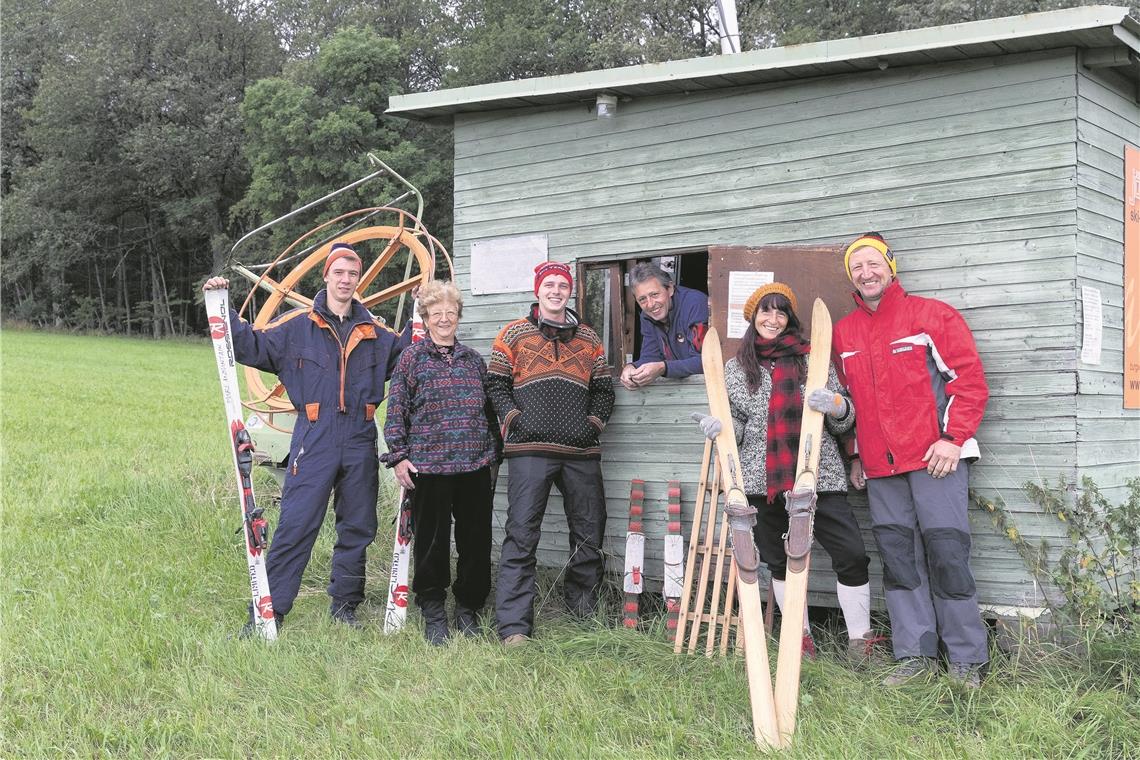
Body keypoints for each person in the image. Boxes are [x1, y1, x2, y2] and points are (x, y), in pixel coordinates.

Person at [203, 242, 410, 634]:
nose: (346, 280)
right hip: (314, 437)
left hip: (361, 438)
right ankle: (269, 614)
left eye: (352, 274)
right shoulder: (296, 327)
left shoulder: (377, 333)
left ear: (358, 279)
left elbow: (408, 357)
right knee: (296, 526)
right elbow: (250, 343)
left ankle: (345, 607)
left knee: (358, 526)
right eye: (339, 272)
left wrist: (419, 314)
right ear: (326, 276)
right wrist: (221, 305)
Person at [834, 232, 990, 688]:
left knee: (947, 555)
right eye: (856, 267)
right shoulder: (845, 333)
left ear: (890, 265)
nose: (866, 273)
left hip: (935, 460)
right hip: (882, 470)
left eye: (873, 263)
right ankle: (914, 657)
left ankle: (966, 659)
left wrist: (952, 439)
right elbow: (851, 402)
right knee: (899, 561)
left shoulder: (931, 315)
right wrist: (857, 455)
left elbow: (969, 380)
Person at [696, 282, 877, 663]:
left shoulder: (814, 359)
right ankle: (800, 639)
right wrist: (719, 428)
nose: (773, 319)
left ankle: (861, 641)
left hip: (818, 475)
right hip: (763, 481)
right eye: (766, 310)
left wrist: (837, 406)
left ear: (789, 319)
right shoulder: (735, 369)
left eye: (781, 312)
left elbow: (845, 424)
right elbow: (738, 429)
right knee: (780, 561)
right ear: (753, 317)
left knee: (852, 554)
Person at [486, 261, 616, 646]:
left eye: (563, 285)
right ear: (537, 291)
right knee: (522, 533)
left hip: (581, 451)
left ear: (570, 292)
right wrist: (513, 418)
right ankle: (514, 626)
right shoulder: (513, 334)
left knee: (589, 532)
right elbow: (495, 384)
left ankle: (583, 611)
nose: (556, 291)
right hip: (529, 450)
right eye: (550, 285)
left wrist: (591, 425)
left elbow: (605, 391)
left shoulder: (590, 339)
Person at [382, 280, 500, 645]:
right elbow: (396, 412)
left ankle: (469, 608)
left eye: (451, 312)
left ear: (458, 317)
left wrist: (493, 454)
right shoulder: (411, 359)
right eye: (437, 313)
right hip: (429, 468)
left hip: (474, 466)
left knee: (476, 543)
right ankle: (433, 609)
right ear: (426, 318)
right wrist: (399, 457)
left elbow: (488, 412)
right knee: (431, 544)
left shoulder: (473, 361)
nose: (444, 319)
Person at [619, 262, 709, 389]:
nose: (650, 305)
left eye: (654, 295)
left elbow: (705, 361)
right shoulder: (647, 315)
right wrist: (632, 367)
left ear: (670, 289)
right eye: (642, 299)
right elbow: (651, 356)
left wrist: (663, 368)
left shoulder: (695, 304)